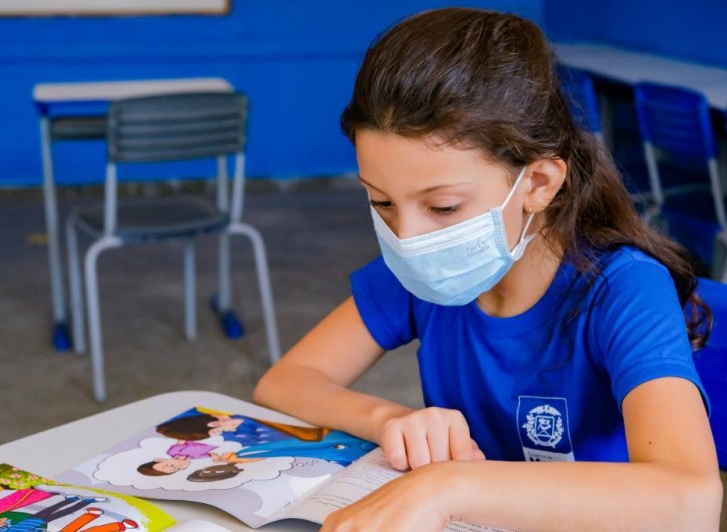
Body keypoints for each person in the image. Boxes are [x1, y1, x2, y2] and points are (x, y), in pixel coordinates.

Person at [253, 7, 722, 531]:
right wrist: (391, 419)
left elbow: (691, 499)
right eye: (381, 202)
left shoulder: (623, 289)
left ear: (538, 185)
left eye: (444, 207)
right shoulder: (417, 273)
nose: (407, 238)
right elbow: (286, 382)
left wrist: (448, 486)